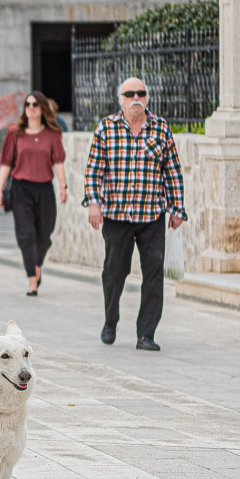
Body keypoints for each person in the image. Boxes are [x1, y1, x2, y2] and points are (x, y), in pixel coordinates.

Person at [84, 77, 186, 351]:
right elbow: (94, 170)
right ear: (121, 99)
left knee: (154, 274)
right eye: (130, 94)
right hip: (117, 216)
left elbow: (172, 171)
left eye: (141, 93)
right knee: (114, 273)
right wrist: (94, 204)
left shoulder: (160, 128)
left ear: (147, 98)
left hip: (152, 215)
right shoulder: (107, 128)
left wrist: (177, 208)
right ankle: (110, 320)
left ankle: (146, 334)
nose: (136, 97)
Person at [0, 92, 68, 296]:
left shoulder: (52, 134)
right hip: (21, 189)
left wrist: (63, 186)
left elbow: (58, 161)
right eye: (27, 104)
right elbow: (6, 163)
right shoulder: (14, 133)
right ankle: (32, 282)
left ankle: (35, 265)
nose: (31, 107)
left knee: (44, 236)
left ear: (43, 108)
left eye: (35, 104)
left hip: (44, 189)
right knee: (26, 235)